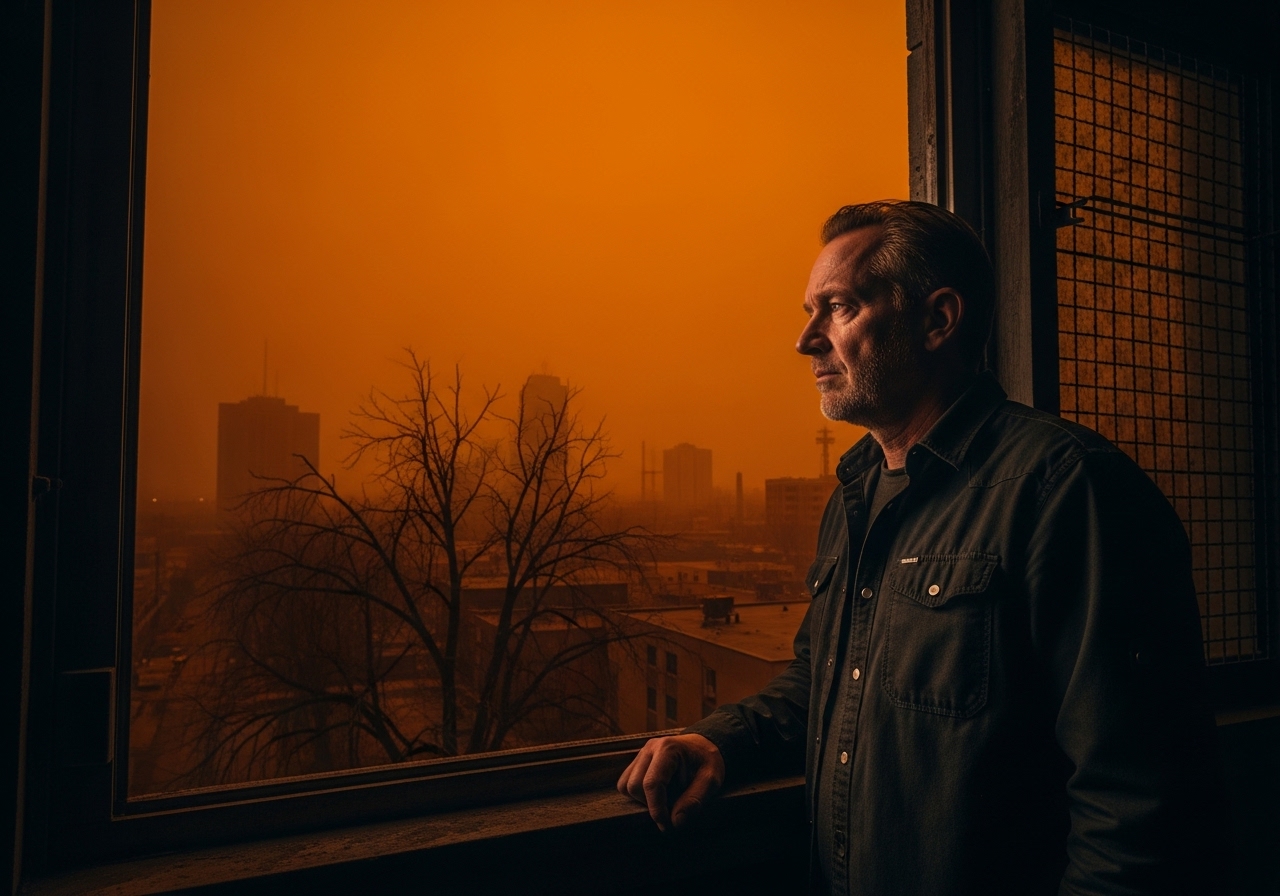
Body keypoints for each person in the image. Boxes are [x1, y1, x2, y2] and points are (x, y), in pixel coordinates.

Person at [617, 200, 1224, 894]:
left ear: (938, 320)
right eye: (811, 311)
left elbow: (1139, 803)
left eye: (839, 308)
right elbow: (827, 679)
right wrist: (719, 739)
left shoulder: (1066, 489)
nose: (806, 340)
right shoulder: (856, 496)